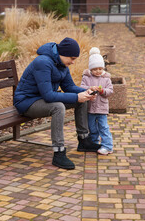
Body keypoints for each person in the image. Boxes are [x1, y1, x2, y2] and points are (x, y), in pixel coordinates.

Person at [13, 37, 101, 170]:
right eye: (72, 58)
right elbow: (48, 95)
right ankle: (58, 153)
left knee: (82, 100)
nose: (72, 62)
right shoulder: (43, 62)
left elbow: (69, 87)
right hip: (26, 102)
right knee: (58, 107)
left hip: (41, 99)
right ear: (63, 53)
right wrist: (77, 96)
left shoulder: (61, 64)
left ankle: (84, 140)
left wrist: (86, 92)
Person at [80, 47, 114, 155]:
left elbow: (110, 91)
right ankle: (94, 143)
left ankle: (108, 146)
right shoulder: (86, 77)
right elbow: (82, 87)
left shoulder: (106, 78)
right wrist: (90, 89)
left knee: (103, 127)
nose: (98, 71)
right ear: (90, 69)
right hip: (90, 108)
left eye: (100, 68)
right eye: (95, 69)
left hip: (102, 108)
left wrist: (102, 90)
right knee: (92, 127)